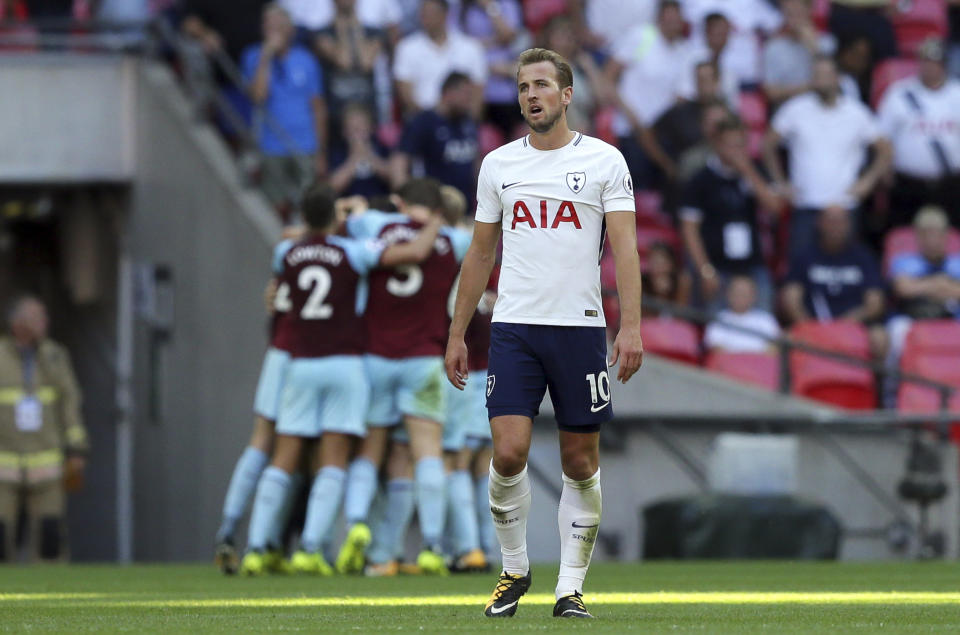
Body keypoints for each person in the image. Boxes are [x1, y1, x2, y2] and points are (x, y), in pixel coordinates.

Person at [445, 47, 644, 619]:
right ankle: (513, 570)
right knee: (508, 453)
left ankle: (571, 587)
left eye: (540, 85)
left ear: (566, 95)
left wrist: (630, 327)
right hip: (512, 329)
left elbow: (626, 249)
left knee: (580, 462)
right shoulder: (499, 165)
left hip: (580, 330)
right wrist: (458, 332)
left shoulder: (605, 161)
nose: (530, 95)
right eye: (522, 86)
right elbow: (481, 251)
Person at [239, 182, 444, 576]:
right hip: (346, 364)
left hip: (300, 363)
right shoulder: (354, 252)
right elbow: (412, 252)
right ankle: (312, 548)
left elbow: (289, 254)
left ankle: (257, 546)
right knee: (334, 459)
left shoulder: (286, 252)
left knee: (285, 456)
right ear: (336, 217)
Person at [336, 179, 471, 576]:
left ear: (400, 202)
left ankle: (357, 523)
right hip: (424, 359)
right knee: (427, 451)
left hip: (375, 357)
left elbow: (350, 220)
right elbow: (475, 240)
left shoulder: (374, 227)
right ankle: (431, 545)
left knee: (370, 450)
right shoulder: (451, 240)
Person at [213, 233, 301, 575]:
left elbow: (288, 240)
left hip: (279, 354)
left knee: (260, 443)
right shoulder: (349, 246)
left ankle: (229, 532)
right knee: (293, 454)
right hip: (311, 354)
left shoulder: (288, 250)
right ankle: (264, 543)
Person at [763, 55, 891, 257]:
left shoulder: (855, 112)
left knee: (847, 269)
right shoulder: (795, 109)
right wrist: (780, 182)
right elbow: (768, 145)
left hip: (845, 206)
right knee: (800, 268)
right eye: (817, 75)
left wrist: (868, 181)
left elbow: (885, 149)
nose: (821, 80)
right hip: (806, 205)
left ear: (838, 78)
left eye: (826, 74)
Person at [0, 296, 88, 562]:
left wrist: (76, 449)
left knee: (50, 537)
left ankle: (53, 595)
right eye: (37, 317)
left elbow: (70, 402)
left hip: (47, 462)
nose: (44, 322)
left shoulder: (54, 356)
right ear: (17, 323)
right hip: (4, 464)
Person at [680, 118, 783, 313]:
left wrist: (747, 171)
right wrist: (705, 270)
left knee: (762, 322)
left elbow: (775, 208)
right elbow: (689, 229)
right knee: (718, 327)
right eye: (730, 145)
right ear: (717, 144)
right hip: (717, 266)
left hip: (751, 264)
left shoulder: (755, 172)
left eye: (740, 144)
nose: (736, 150)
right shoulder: (700, 180)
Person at [242, 4, 328, 209]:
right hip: (271, 145)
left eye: (278, 26)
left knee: (306, 205)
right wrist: (266, 57)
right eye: (268, 26)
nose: (273, 32)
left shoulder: (307, 59)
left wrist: (321, 152)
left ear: (290, 29)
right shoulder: (253, 56)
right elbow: (258, 97)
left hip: (305, 145)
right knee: (274, 206)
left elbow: (318, 108)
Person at [782, 205, 888, 361]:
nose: (835, 226)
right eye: (830, 221)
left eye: (840, 221)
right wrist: (809, 326)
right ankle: (788, 385)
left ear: (849, 225)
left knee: (880, 337)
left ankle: (875, 385)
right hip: (812, 324)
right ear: (819, 223)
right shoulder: (804, 255)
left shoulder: (863, 257)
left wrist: (845, 324)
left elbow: (875, 303)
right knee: (784, 339)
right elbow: (790, 298)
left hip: (854, 325)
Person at [605, 0, 691, 188]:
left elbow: (681, 97)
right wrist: (631, 116)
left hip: (662, 136)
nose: (672, 24)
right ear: (659, 19)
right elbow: (609, 76)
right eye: (667, 18)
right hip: (631, 131)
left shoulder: (683, 51)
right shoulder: (642, 36)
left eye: (676, 20)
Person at [878, 38, 960, 229]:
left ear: (944, 65)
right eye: (926, 61)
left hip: (951, 185)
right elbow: (882, 136)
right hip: (908, 184)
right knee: (902, 234)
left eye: (936, 62)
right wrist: (885, 167)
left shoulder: (957, 93)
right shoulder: (899, 93)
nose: (930, 67)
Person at [391, 72, 479, 209]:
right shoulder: (423, 122)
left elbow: (475, 164)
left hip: (463, 207)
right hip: (433, 206)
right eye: (465, 94)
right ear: (449, 93)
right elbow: (399, 163)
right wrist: (407, 202)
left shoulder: (468, 123)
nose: (469, 101)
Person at [887, 206, 960, 364]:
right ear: (918, 237)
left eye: (937, 234)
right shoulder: (903, 261)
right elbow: (903, 289)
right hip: (912, 319)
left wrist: (921, 286)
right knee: (897, 331)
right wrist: (940, 284)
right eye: (926, 234)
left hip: (952, 319)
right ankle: (891, 387)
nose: (932, 240)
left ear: (946, 236)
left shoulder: (957, 263)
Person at [392, 0, 488, 116]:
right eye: (423, 14)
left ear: (446, 14)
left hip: (460, 120)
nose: (426, 19)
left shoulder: (471, 48)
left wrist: (469, 123)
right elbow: (406, 94)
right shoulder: (406, 48)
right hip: (422, 121)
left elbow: (477, 93)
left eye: (432, 13)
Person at [313, 0, 384, 144]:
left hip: (367, 114)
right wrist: (342, 29)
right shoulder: (322, 33)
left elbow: (366, 63)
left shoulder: (373, 32)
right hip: (336, 116)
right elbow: (343, 61)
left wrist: (355, 28)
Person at [458, 0, 527, 139]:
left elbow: (508, 35)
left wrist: (490, 7)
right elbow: (457, 42)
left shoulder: (507, 5)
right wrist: (494, 43)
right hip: (471, 85)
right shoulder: (462, 8)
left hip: (503, 89)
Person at [762, 0, 838, 108]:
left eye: (798, 12)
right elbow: (771, 92)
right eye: (790, 13)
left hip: (824, 106)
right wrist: (809, 88)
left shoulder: (827, 42)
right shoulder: (773, 48)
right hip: (788, 109)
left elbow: (834, 81)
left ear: (809, 11)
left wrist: (814, 47)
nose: (794, 19)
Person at [329, 102, 391, 198]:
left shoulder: (382, 149)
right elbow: (332, 187)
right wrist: (354, 159)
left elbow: (394, 178)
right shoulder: (338, 154)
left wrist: (370, 156)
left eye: (361, 127)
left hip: (380, 204)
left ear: (371, 129)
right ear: (344, 132)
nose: (358, 132)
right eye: (353, 128)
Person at [704, 276, 781, 352]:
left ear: (754, 296)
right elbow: (715, 349)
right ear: (728, 294)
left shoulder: (766, 319)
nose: (740, 296)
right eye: (737, 292)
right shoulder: (719, 319)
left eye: (745, 293)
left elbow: (775, 347)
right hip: (729, 362)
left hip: (760, 362)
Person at [641, 242, 692, 317]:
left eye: (662, 262)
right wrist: (658, 295)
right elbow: (644, 318)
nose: (658, 267)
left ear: (671, 264)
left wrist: (666, 295)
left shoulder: (682, 281)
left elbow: (681, 315)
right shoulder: (642, 282)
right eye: (654, 262)